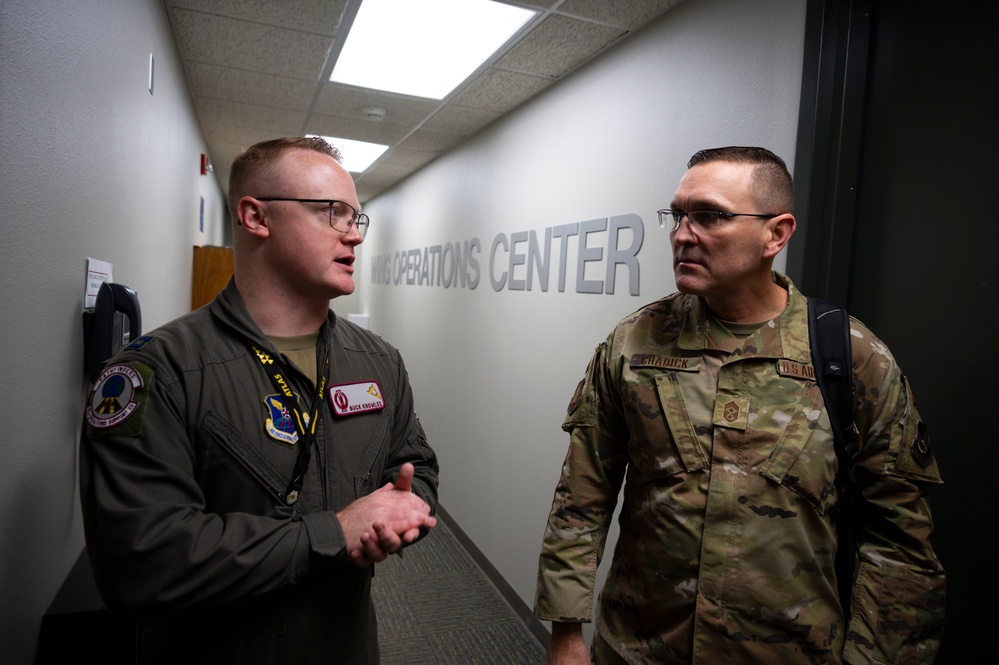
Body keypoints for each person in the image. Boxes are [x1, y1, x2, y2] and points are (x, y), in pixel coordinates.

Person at [534, 146, 945, 664]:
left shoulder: (851, 357)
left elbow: (899, 541)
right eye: (678, 215)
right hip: (641, 647)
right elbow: (582, 497)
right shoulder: (636, 342)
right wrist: (567, 632)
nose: (683, 234)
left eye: (710, 215)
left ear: (776, 233)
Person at [80, 136, 440, 664]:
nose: (353, 236)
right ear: (256, 217)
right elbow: (141, 563)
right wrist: (335, 533)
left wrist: (401, 512)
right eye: (332, 213)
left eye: (356, 219)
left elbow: (418, 467)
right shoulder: (158, 371)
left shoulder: (379, 362)